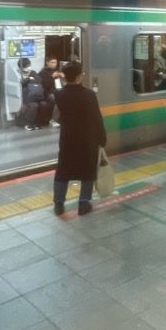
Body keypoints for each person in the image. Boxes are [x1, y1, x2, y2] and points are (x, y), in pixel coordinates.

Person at [52, 61, 107, 216]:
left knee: (63, 169)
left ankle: (59, 204)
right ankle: (83, 203)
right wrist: (102, 139)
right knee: (88, 169)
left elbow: (56, 117)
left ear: (64, 77)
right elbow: (97, 118)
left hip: (67, 138)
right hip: (87, 138)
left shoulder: (59, 94)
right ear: (79, 76)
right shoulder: (89, 95)